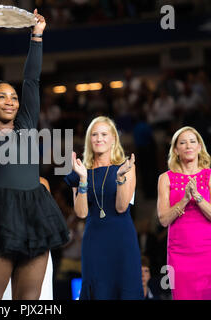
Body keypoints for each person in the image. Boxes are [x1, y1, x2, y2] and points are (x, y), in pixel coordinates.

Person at [0, 9, 69, 300]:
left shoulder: (27, 125)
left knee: (29, 302)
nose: (10, 101)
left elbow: (32, 80)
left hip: (36, 212)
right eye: (1, 96)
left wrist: (37, 36)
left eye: (14, 97)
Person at [64, 116, 143, 300]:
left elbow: (122, 207)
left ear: (114, 138)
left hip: (122, 240)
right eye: (94, 134)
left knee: (125, 290)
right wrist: (83, 178)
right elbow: (81, 212)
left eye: (104, 134)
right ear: (89, 139)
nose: (99, 138)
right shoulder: (79, 169)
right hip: (94, 241)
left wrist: (120, 178)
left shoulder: (126, 167)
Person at [157, 126, 211, 300]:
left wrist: (197, 197)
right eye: (182, 143)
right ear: (176, 150)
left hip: (209, 251)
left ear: (199, 147)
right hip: (179, 253)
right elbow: (163, 219)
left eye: (192, 141)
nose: (188, 146)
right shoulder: (165, 178)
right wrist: (185, 199)